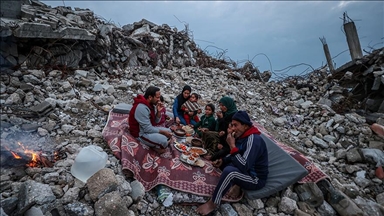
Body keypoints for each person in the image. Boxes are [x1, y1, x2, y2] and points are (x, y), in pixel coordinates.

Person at [196, 110, 269, 215]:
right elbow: (236, 154)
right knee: (226, 163)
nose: (233, 128)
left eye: (236, 125)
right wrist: (222, 161)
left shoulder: (253, 139)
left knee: (230, 172)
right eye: (232, 125)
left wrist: (232, 146)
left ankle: (213, 203)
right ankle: (237, 185)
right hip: (245, 169)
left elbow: (244, 165)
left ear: (245, 126)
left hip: (255, 178)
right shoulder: (242, 136)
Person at [128, 86, 172, 154]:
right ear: (150, 97)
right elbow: (147, 129)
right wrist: (163, 132)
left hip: (148, 128)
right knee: (164, 140)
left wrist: (159, 111)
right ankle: (155, 148)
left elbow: (155, 121)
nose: (159, 99)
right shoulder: (141, 108)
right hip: (140, 133)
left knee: (169, 131)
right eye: (157, 97)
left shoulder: (151, 104)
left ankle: (155, 143)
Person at [202, 96, 238, 161]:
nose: (221, 107)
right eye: (220, 105)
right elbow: (216, 123)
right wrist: (209, 128)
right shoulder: (224, 113)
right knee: (206, 133)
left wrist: (221, 119)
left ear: (228, 105)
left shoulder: (233, 116)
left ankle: (212, 154)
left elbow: (226, 128)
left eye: (223, 105)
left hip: (226, 137)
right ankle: (207, 149)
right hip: (221, 133)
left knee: (211, 135)